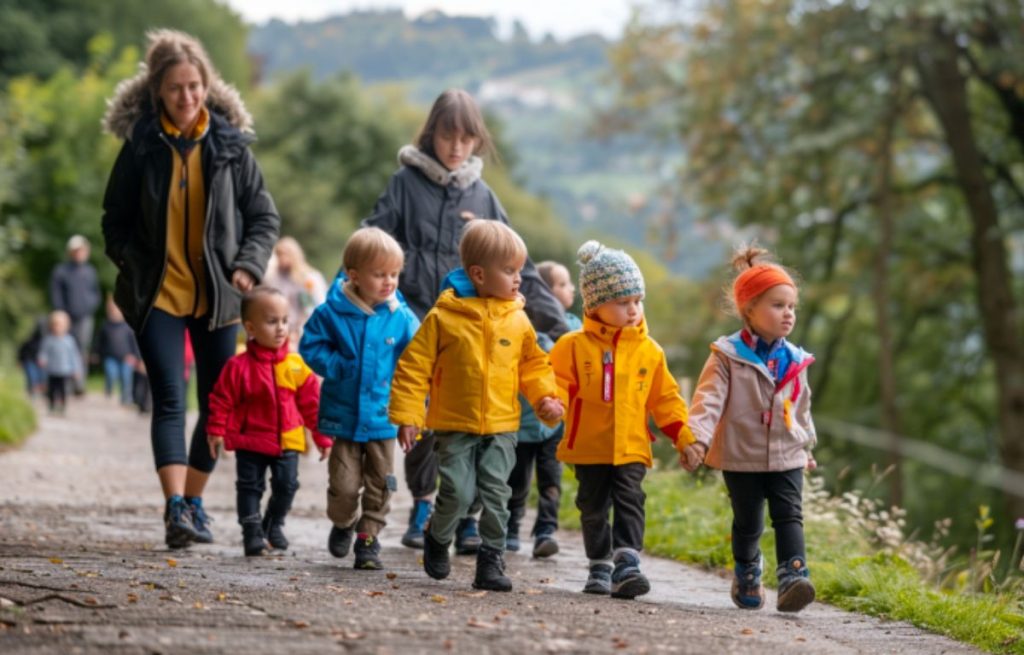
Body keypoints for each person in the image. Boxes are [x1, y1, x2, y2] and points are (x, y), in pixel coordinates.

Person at [363, 88, 569, 553]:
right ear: (430, 134)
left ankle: (468, 516)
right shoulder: (404, 184)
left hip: (477, 327)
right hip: (415, 314)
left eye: (466, 138)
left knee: (471, 420)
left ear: (477, 141)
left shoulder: (483, 195)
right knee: (428, 415)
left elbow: (521, 267)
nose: (456, 147)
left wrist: (559, 325)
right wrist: (346, 295)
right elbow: (371, 240)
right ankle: (423, 501)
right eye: (446, 135)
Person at [101, 29, 280, 549]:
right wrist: (132, 268)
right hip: (159, 294)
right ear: (158, 90)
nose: (187, 97)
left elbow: (263, 217)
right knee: (170, 400)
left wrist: (247, 266)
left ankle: (195, 502)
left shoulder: (229, 146)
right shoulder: (141, 147)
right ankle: (175, 507)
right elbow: (115, 219)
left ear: (207, 85)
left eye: (195, 86)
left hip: (219, 299)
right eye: (176, 87)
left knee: (216, 406)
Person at [389, 220, 563, 592]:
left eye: (519, 269)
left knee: (497, 494)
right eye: (509, 270)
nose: (518, 279)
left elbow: (533, 364)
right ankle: (438, 533)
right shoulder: (443, 317)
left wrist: (545, 398)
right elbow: (413, 367)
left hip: (502, 425)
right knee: (458, 492)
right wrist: (408, 415)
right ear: (479, 274)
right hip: (454, 425)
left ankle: (491, 560)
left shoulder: (517, 319)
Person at [549, 241, 702, 600]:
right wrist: (549, 402)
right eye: (622, 302)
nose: (633, 310)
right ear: (595, 305)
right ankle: (599, 564)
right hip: (588, 446)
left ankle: (628, 562)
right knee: (592, 506)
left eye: (637, 300)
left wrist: (685, 437)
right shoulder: (573, 345)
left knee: (631, 499)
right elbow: (553, 380)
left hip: (632, 445)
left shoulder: (650, 350)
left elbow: (665, 399)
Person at [686, 246, 818, 613]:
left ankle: (794, 576)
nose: (788, 314)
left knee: (789, 513)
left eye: (791, 306)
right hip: (740, 455)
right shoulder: (727, 356)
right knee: (748, 522)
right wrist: (696, 439)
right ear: (749, 310)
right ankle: (747, 570)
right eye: (777, 305)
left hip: (786, 452)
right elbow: (708, 400)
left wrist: (805, 446)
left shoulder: (795, 359)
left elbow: (800, 407)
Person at [299, 227, 420, 570]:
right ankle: (343, 521)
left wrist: (413, 413)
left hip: (384, 417)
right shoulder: (331, 312)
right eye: (379, 274)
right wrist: (338, 365)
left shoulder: (401, 316)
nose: (389, 282)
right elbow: (310, 346)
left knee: (381, 483)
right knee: (344, 484)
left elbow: (418, 361)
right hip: (344, 416)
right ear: (354, 275)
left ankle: (368, 539)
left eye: (394, 274)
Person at [206, 287, 329, 556]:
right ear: (250, 327)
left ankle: (273, 524)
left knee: (287, 485)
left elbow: (312, 406)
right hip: (251, 440)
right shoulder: (238, 367)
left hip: (289, 440)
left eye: (285, 321)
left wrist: (321, 437)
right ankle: (252, 533)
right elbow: (221, 399)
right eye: (272, 321)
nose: (280, 328)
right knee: (249, 487)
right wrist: (216, 430)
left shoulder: (297, 366)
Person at [505, 259, 583, 558]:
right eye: (562, 284)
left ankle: (545, 531)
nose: (570, 289)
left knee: (551, 479)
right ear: (544, 294)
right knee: (517, 480)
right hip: (523, 422)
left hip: (556, 426)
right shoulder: (527, 327)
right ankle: (511, 527)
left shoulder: (575, 327)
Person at [49, 234, 102, 394]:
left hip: (85, 317)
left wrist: (89, 307)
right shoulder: (61, 271)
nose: (79, 253)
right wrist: (61, 312)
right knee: (64, 349)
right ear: (71, 252)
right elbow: (55, 293)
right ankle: (63, 384)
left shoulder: (90, 271)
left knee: (82, 350)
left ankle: (79, 384)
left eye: (82, 250)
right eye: (76, 250)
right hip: (66, 318)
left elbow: (95, 294)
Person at [264, 236, 328, 347]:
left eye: (284, 254)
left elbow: (313, 309)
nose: (281, 258)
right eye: (279, 254)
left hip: (302, 332)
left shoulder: (309, 279)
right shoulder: (273, 277)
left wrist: (298, 331)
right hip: (281, 330)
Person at [95, 295, 140, 406]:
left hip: (127, 357)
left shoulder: (128, 327)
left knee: (126, 377)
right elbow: (98, 342)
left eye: (116, 311)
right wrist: (95, 353)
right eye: (112, 310)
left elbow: (134, 343)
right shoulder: (105, 326)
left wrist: (136, 357)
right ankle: (108, 389)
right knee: (111, 374)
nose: (114, 313)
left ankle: (126, 399)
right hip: (110, 357)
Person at [37, 310, 83, 415]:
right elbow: (43, 352)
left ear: (66, 326)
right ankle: (52, 406)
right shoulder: (48, 340)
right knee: (51, 390)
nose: (58, 328)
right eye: (55, 325)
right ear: (51, 326)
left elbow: (74, 356)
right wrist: (42, 359)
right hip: (52, 370)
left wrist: (76, 369)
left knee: (63, 390)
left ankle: (62, 407)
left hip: (64, 370)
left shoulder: (69, 341)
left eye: (60, 325)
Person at [536, 260, 582, 332]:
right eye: (563, 284)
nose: (572, 289)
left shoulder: (574, 321)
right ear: (545, 291)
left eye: (570, 282)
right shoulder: (542, 327)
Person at [17, 317, 47, 398]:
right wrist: (20, 361)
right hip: (29, 361)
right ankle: (33, 393)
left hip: (40, 362)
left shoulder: (47, 340)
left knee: (41, 379)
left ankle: (40, 394)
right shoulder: (29, 340)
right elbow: (22, 350)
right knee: (32, 378)